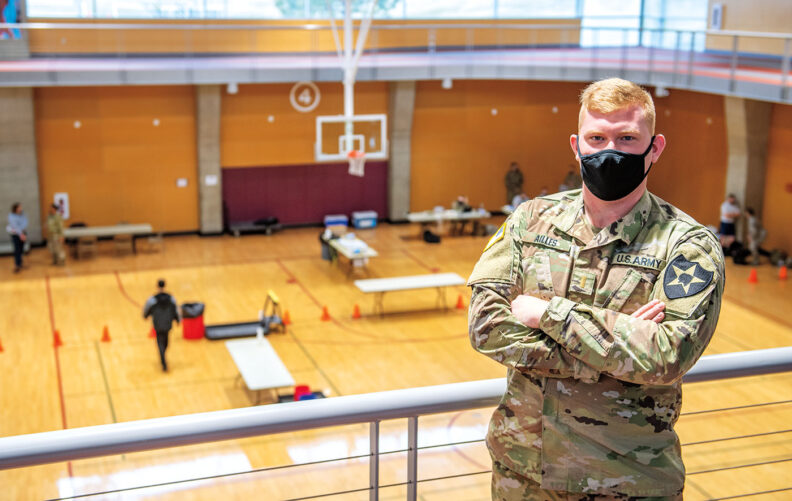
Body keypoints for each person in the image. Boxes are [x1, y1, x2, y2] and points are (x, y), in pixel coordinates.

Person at [468, 78, 724, 499]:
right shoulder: (531, 219)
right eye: (597, 138)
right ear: (576, 145)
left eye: (627, 138)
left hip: (627, 481)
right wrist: (616, 341)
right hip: (521, 475)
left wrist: (548, 315)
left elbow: (665, 356)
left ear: (654, 147)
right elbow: (486, 327)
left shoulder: (686, 244)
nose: (611, 151)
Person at [143, 279, 180, 372]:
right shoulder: (171, 298)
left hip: (158, 324)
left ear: (157, 286)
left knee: (161, 343)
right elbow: (176, 310)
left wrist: (145, 315)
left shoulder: (152, 300)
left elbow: (146, 309)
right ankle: (163, 361)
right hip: (167, 323)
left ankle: (162, 357)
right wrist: (178, 319)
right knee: (165, 342)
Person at [6, 202, 28, 273]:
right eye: (19, 207)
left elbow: (25, 222)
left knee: (21, 249)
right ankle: (17, 265)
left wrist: (23, 233)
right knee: (17, 249)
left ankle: (20, 263)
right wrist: (21, 234)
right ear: (15, 208)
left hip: (23, 233)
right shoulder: (11, 216)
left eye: (21, 207)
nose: (21, 208)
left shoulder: (22, 214)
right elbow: (15, 226)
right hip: (16, 234)